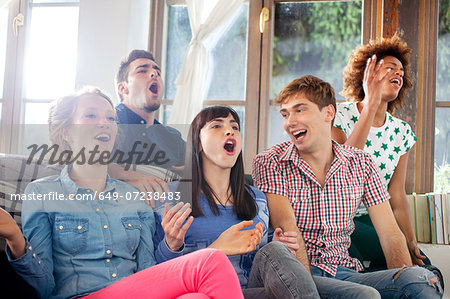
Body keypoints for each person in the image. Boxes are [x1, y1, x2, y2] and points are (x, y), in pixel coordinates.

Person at [0, 88, 243, 299]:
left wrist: (171, 244)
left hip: (136, 292)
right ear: (66, 132)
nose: (104, 122)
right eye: (91, 115)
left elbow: (149, 271)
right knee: (211, 261)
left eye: (110, 118)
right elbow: (43, 288)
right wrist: (14, 236)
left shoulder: (135, 197)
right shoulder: (42, 192)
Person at [252, 75, 443, 298]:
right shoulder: (270, 162)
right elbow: (287, 230)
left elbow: (391, 235)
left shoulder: (361, 163)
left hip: (346, 272)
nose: (289, 122)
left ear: (329, 113)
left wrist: (400, 281)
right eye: (285, 114)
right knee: (365, 295)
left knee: (422, 281)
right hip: (299, 274)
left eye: (299, 110)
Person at [154, 106, 321, 299]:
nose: (229, 130)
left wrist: (273, 248)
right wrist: (171, 245)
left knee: (275, 250)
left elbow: (255, 262)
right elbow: (157, 274)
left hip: (251, 289)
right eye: (216, 126)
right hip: (203, 293)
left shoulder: (257, 198)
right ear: (197, 143)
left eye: (234, 126)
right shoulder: (170, 196)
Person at [331, 34, 428, 269]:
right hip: (336, 218)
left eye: (401, 73)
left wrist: (411, 240)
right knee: (354, 268)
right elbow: (343, 172)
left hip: (375, 218)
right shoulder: (337, 115)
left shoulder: (402, 132)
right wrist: (371, 103)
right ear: (367, 73)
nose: (398, 74)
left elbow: (396, 194)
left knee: (422, 265)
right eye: (390, 68)